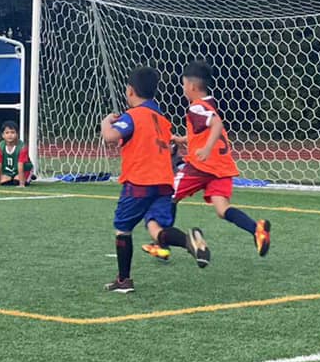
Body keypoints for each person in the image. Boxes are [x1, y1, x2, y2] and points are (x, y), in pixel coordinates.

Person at [99, 66, 211, 293]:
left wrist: (105, 122)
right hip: (164, 183)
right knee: (155, 227)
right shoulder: (162, 119)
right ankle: (188, 241)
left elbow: (110, 136)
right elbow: (169, 149)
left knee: (123, 228)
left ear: (130, 91)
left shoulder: (133, 115)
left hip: (139, 181)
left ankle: (124, 280)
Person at [144, 60, 270, 261]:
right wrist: (183, 139)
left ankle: (161, 244)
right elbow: (203, 132)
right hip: (222, 167)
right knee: (222, 208)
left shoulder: (196, 107)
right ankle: (256, 229)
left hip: (201, 166)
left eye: (184, 85)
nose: (183, 89)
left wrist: (206, 148)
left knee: (168, 194)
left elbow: (217, 125)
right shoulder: (210, 103)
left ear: (192, 86)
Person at [0, 120, 34, 187]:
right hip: (9, 171)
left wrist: (21, 184)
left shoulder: (22, 147)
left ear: (17, 134)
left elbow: (20, 165)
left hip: (24, 169)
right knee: (3, 182)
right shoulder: (0, 147)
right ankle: (12, 177)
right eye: (7, 133)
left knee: (17, 181)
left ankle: (29, 176)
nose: (10, 135)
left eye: (12, 132)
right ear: (3, 135)